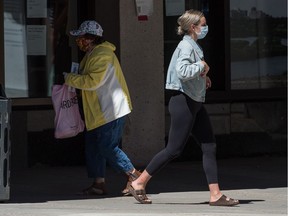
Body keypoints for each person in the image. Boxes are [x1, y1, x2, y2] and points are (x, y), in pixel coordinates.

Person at [128, 9, 239, 206]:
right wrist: (202, 67)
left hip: (194, 101)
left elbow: (191, 72)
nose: (206, 28)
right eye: (203, 25)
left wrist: (203, 77)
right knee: (173, 149)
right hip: (184, 102)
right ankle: (139, 181)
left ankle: (215, 194)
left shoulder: (194, 45)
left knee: (209, 145)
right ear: (193, 27)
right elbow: (182, 71)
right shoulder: (186, 46)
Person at [64, 20, 141, 196]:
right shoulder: (92, 53)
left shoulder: (102, 55)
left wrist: (69, 79)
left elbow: (92, 82)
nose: (79, 41)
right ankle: (98, 183)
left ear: (91, 39)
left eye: (81, 37)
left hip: (111, 110)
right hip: (98, 110)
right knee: (93, 147)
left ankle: (134, 175)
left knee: (107, 147)